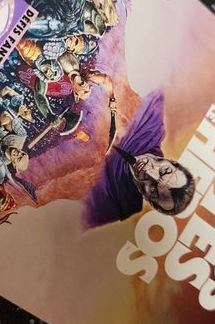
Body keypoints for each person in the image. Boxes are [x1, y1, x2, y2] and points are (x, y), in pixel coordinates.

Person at [82, 92, 194, 228]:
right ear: (171, 162)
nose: (149, 172)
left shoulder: (116, 204)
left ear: (149, 200)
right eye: (165, 171)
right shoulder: (152, 117)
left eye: (153, 190)